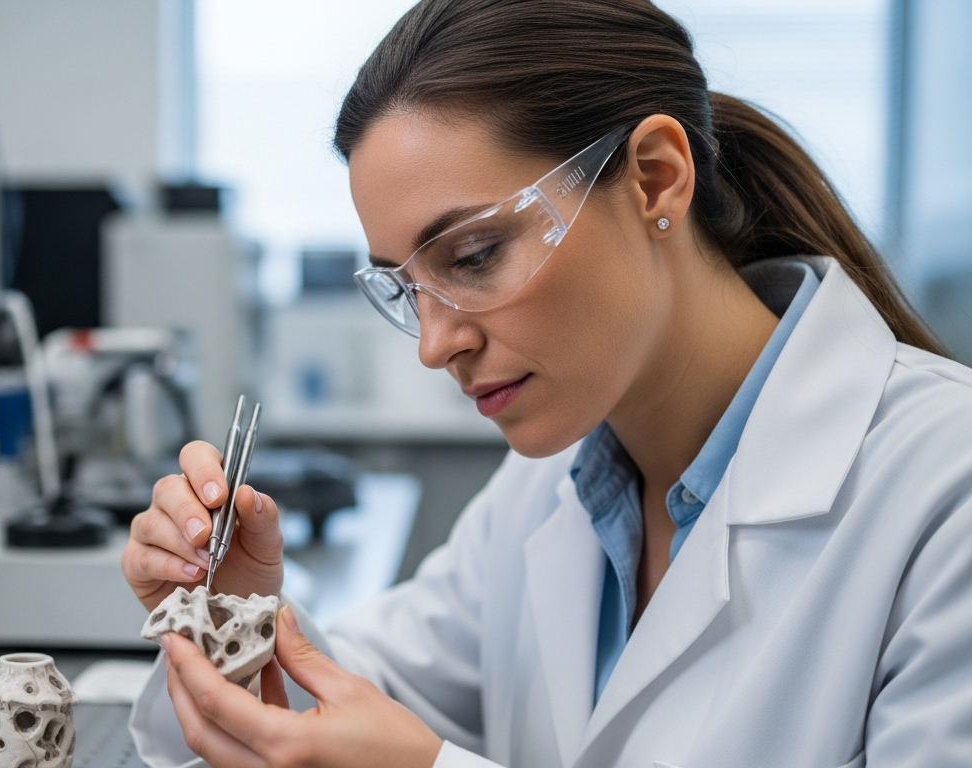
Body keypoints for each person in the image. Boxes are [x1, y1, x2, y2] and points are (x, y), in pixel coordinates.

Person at [120, 1, 972, 766]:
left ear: (655, 178)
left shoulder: (943, 489)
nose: (434, 344)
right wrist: (231, 621)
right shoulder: (549, 494)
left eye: (476, 255)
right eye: (404, 289)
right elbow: (335, 714)